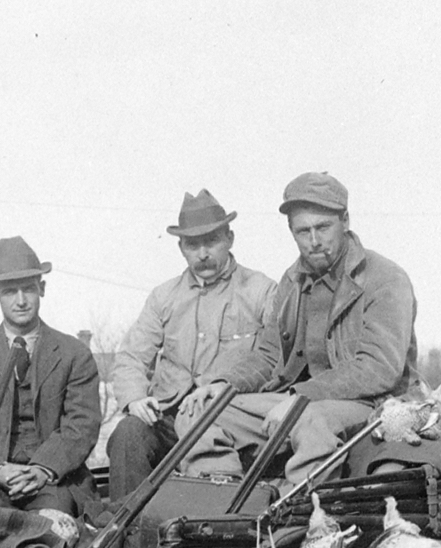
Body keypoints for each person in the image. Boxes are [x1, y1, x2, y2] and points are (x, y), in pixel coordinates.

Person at [216, 172, 420, 484]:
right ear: (292, 233)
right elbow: (269, 355)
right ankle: (223, 498)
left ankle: (301, 508)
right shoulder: (292, 281)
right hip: (299, 401)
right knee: (205, 413)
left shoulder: (386, 278)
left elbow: (379, 369)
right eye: (303, 231)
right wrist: (224, 385)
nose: (313, 241)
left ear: (345, 221)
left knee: (311, 421)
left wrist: (300, 397)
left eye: (323, 227)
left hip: (375, 404)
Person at [105, 190, 277, 497]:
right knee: (128, 433)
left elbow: (274, 356)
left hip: (227, 421)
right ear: (181, 248)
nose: (203, 253)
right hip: (169, 419)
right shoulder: (164, 296)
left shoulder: (260, 291)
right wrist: (135, 399)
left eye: (211, 241)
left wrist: (227, 388)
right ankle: (126, 523)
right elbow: (131, 356)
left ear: (230, 239)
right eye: (192, 245)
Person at [0, 236, 102, 517]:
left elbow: (81, 424)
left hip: (53, 480)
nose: (20, 301)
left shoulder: (74, 354)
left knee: (54, 526)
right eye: (9, 292)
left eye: (28, 289)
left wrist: (42, 470)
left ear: (42, 289)